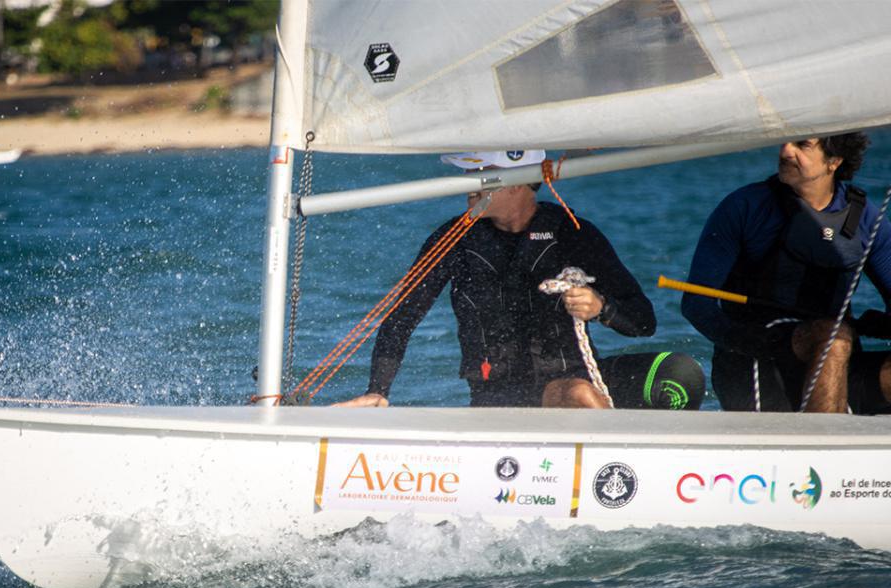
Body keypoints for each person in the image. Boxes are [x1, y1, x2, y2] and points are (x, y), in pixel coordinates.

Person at [337, 150, 704, 409]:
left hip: (570, 378)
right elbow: (402, 316)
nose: (469, 182)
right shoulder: (453, 239)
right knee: (577, 395)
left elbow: (644, 322)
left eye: (479, 173)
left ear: (516, 184)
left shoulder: (572, 233)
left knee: (680, 377)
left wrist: (600, 308)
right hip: (498, 394)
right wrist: (378, 389)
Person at [682, 132, 891, 413]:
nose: (785, 151)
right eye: (786, 141)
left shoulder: (866, 219)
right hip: (756, 364)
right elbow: (696, 305)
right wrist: (749, 341)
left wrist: (878, 325)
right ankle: (823, 449)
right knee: (833, 336)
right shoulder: (746, 207)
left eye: (802, 145)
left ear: (834, 161)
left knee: (835, 339)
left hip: (837, 364)